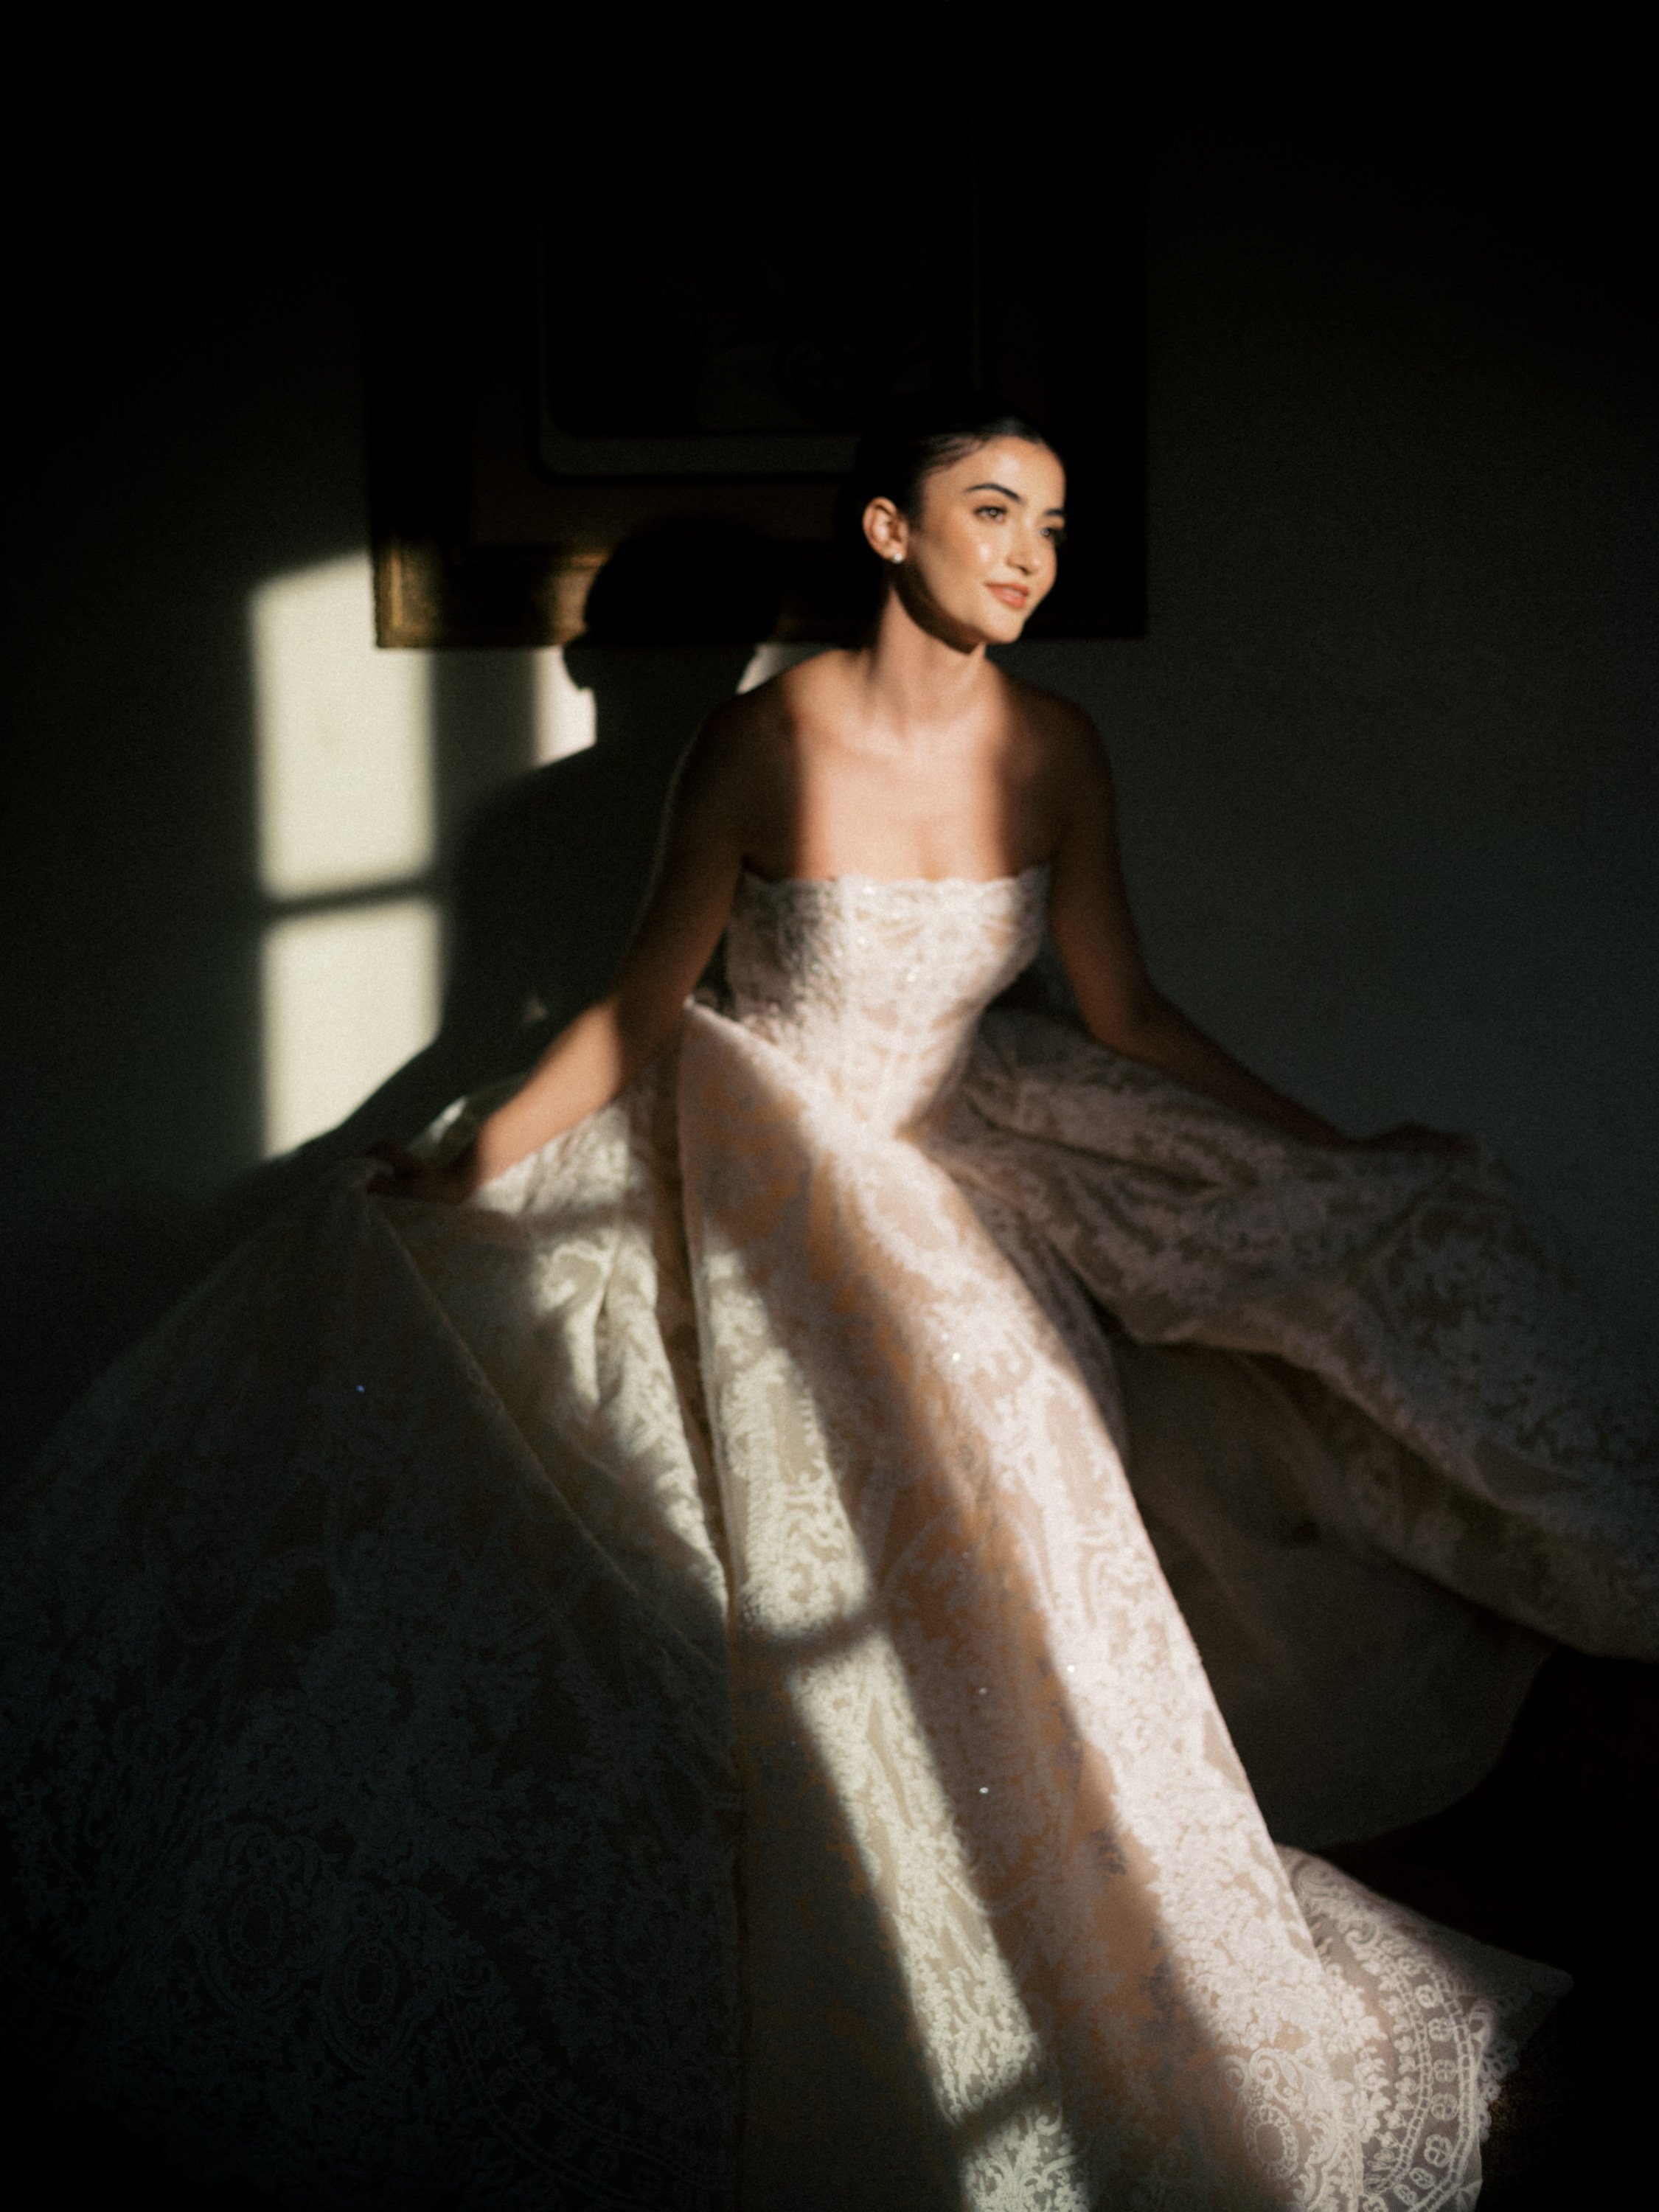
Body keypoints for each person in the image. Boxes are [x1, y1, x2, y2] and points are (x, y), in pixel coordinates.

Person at [1, 397, 1652, 2210]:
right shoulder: (756, 740)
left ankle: (1020, 1991)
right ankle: (758, 2023)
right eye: (992, 509)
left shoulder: (1059, 749)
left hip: (955, 1208)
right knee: (721, 1613)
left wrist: (1341, 1150)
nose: (1027, 553)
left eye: (1053, 525)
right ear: (887, 530)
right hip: (753, 1181)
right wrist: (455, 1172)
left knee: (1010, 1603)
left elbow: (1122, 1011)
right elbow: (637, 1011)